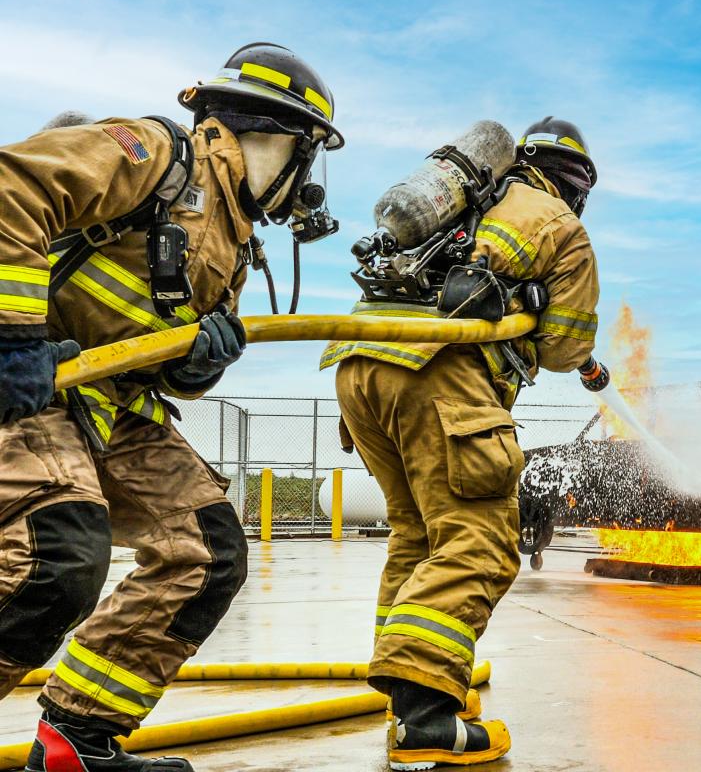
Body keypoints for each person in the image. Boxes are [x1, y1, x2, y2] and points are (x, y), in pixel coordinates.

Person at [0, 42, 344, 772]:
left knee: (207, 551)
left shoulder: (232, 238)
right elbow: (10, 187)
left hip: (108, 400)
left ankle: (76, 741)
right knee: (57, 556)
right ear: (274, 137)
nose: (304, 187)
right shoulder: (157, 154)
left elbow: (156, 358)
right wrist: (11, 342)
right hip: (29, 380)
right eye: (305, 160)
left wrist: (193, 367)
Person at [323, 116, 601, 769]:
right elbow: (566, 346)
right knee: (479, 540)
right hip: (441, 374)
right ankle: (426, 720)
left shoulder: (471, 200)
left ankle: (413, 698)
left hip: (359, 365)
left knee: (419, 538)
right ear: (578, 184)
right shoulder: (560, 225)